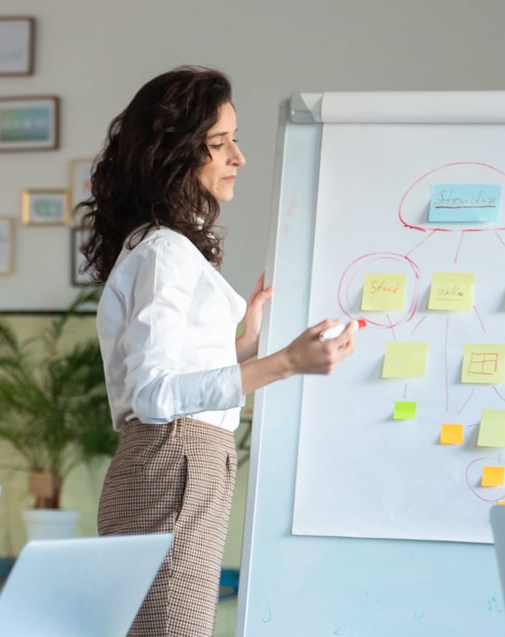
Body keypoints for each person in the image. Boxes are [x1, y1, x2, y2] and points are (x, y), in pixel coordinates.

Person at [79, 66, 358, 637]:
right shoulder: (163, 252)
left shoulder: (164, 249)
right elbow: (156, 397)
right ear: (177, 155)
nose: (238, 157)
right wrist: (283, 364)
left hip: (179, 465)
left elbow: (171, 386)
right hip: (174, 464)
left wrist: (243, 344)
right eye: (219, 142)